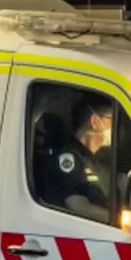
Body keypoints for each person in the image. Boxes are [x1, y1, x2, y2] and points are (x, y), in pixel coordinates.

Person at [44, 95, 114, 223]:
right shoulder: (69, 158)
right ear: (94, 122)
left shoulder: (93, 158)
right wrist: (120, 219)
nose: (115, 127)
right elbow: (79, 207)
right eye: (112, 120)